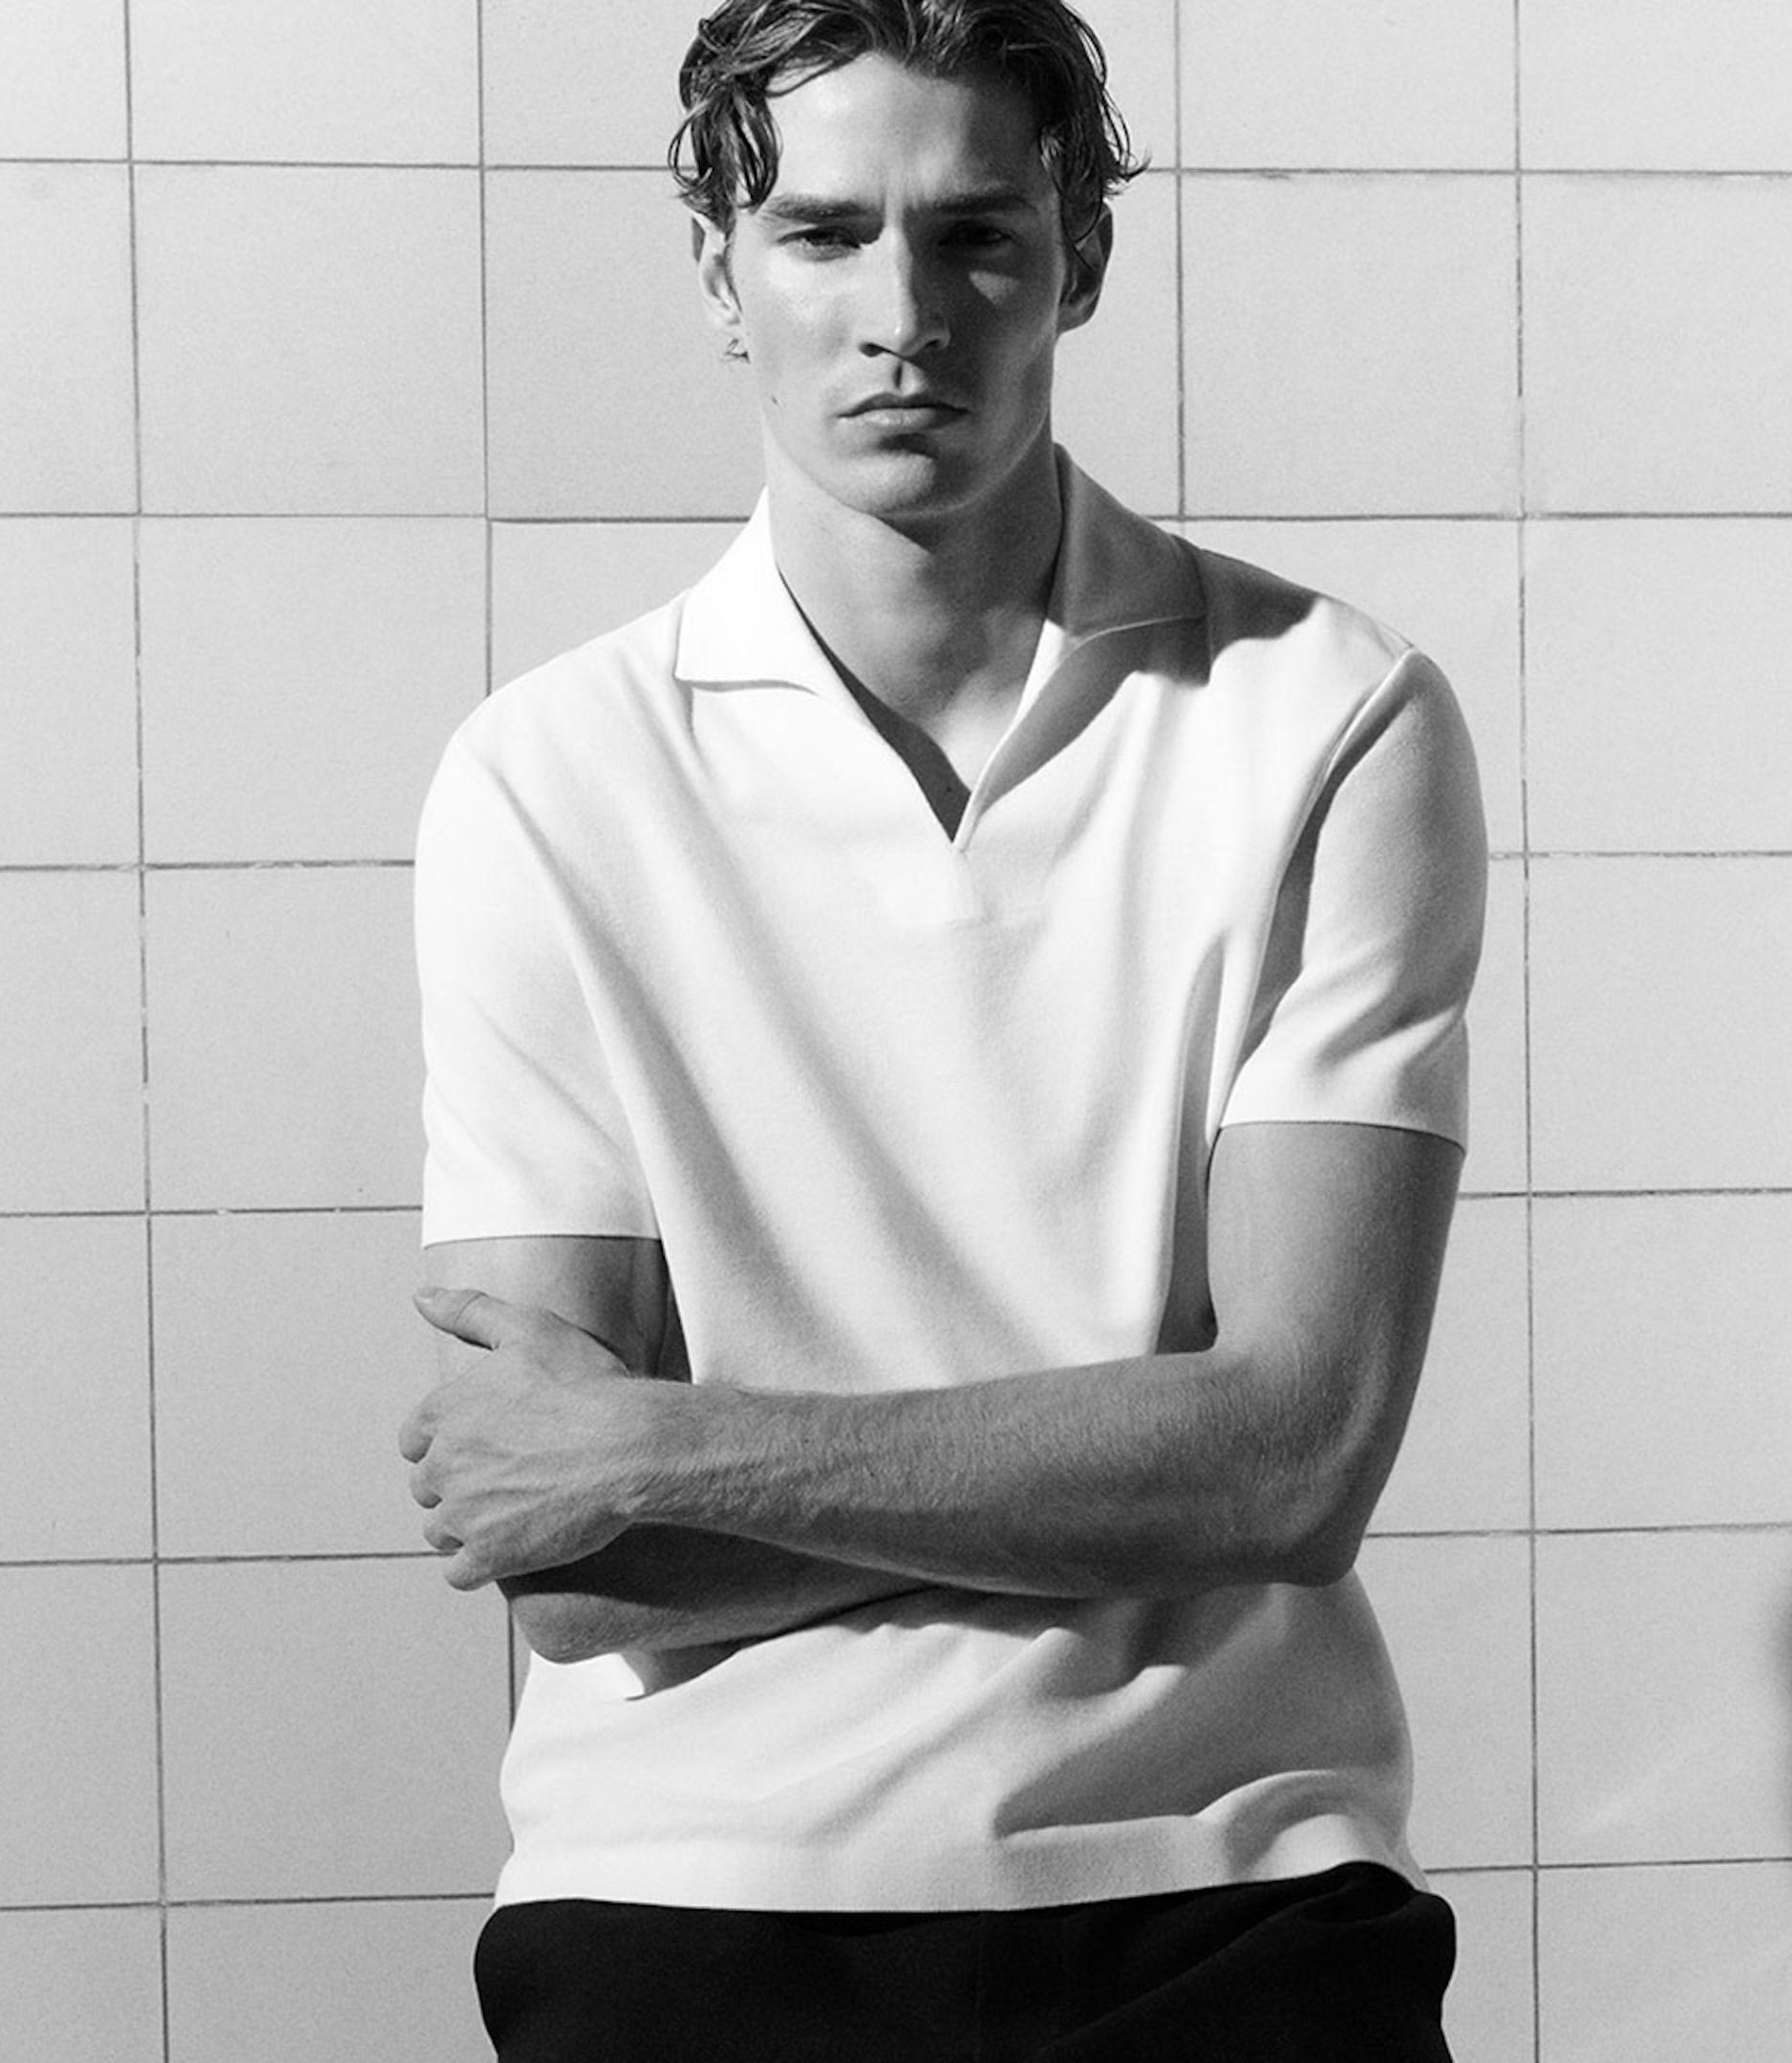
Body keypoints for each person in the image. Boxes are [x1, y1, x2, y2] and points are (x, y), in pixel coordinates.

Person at [399, 2, 1486, 2055]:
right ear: (717, 268)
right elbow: (577, 1574)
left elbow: (1294, 1461)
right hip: (685, 1892)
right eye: (820, 236)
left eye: (975, 235)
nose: (901, 314)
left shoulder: (1330, 719)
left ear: (1077, 256)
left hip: (1234, 1885)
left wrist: (682, 1445)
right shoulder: (545, 780)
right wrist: (1113, 1451)